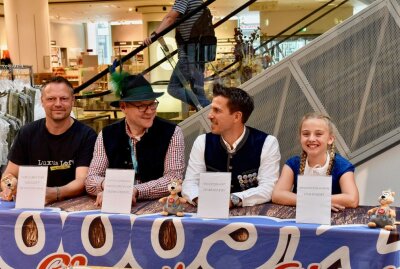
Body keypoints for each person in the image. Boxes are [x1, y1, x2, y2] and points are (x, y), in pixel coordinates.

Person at [85, 74, 185, 206]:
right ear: (123, 107)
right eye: (141, 106)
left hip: (159, 206)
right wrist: (107, 186)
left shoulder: (172, 132)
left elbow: (174, 180)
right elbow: (91, 179)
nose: (149, 111)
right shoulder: (107, 134)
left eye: (153, 104)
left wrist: (136, 191)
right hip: (116, 205)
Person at [0, 76, 97, 204]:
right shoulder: (27, 133)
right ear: (42, 101)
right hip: (32, 205)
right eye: (51, 99)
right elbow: (8, 176)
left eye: (64, 99)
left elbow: (82, 180)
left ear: (73, 101)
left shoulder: (87, 135)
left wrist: (53, 193)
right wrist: (10, 186)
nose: (58, 104)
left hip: (73, 208)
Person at [182, 84, 281, 207]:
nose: (210, 115)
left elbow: (268, 188)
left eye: (217, 110)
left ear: (237, 117)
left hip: (251, 216)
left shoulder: (267, 143)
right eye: (211, 109)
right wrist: (198, 198)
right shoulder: (202, 142)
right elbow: (190, 183)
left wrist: (234, 199)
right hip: (209, 211)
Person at [272, 112, 359, 211]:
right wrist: (317, 201)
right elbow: (277, 194)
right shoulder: (292, 164)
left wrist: (310, 200)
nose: (311, 138)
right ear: (300, 138)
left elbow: (352, 199)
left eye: (318, 134)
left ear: (330, 139)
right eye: (306, 134)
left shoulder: (342, 165)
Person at [144, 0, 211, 109]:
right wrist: (157, 32)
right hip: (200, 51)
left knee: (173, 88)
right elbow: (168, 16)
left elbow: (170, 19)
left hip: (190, 52)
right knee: (198, 92)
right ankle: (209, 115)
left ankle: (211, 108)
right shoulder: (197, 1)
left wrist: (154, 36)